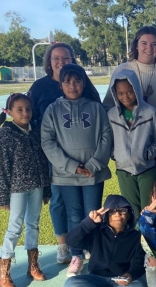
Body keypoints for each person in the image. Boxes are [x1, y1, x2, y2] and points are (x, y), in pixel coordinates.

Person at [29, 43, 99, 264]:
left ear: (72, 60)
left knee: (86, 206)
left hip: (86, 157)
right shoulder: (39, 87)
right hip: (54, 154)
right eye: (56, 58)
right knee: (59, 200)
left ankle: (85, 244)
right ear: (49, 61)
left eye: (66, 58)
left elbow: (100, 116)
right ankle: (64, 244)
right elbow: (28, 115)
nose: (61, 62)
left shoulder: (84, 85)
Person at [41, 64, 112, 277]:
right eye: (67, 82)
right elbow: (47, 141)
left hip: (93, 174)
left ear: (83, 83)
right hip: (66, 175)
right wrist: (71, 166)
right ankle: (76, 254)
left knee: (93, 212)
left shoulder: (96, 108)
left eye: (77, 81)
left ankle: (93, 250)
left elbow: (106, 136)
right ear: (61, 84)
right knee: (73, 214)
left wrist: (93, 165)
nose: (73, 86)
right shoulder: (52, 110)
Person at [0, 93, 51, 287]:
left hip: (37, 186)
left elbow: (44, 162)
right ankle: (4, 270)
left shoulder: (35, 132)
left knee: (33, 224)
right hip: (16, 189)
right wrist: (2, 196)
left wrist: (46, 190)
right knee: (15, 227)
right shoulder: (5, 134)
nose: (25, 113)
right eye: (19, 109)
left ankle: (32, 265)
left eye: (28, 109)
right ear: (9, 112)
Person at [55, 195, 145, 287]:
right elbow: (71, 241)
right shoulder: (96, 231)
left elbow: (138, 262)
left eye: (123, 210)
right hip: (96, 279)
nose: (117, 214)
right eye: (112, 211)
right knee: (70, 284)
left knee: (139, 286)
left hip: (121, 283)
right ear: (106, 215)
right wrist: (88, 223)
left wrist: (130, 275)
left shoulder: (136, 237)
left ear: (129, 214)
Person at [107, 69, 156, 219]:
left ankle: (151, 240)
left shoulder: (150, 112)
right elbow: (109, 140)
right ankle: (136, 240)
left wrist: (148, 153)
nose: (125, 96)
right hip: (124, 171)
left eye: (129, 92)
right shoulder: (112, 115)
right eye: (120, 93)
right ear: (115, 93)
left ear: (137, 90)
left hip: (146, 169)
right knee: (131, 211)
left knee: (149, 209)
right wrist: (116, 155)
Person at [103, 26, 156, 121]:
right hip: (129, 133)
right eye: (144, 43)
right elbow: (109, 104)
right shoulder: (121, 70)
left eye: (154, 44)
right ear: (136, 45)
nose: (149, 48)